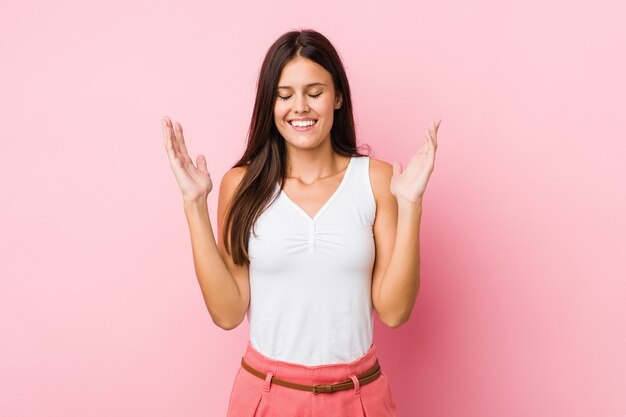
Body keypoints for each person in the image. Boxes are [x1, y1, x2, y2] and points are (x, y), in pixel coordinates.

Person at [162, 28, 440, 417]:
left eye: (315, 92)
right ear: (269, 103)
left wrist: (410, 204)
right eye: (285, 94)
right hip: (268, 395)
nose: (300, 107)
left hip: (359, 397)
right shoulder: (241, 185)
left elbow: (394, 311)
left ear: (338, 96)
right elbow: (227, 313)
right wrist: (194, 205)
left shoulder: (376, 180)